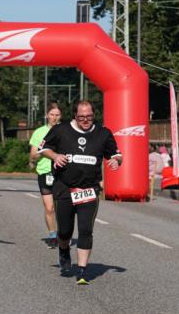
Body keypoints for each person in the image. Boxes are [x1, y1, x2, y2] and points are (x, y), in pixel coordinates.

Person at [37, 100, 122, 285]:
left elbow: (116, 153)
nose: (85, 120)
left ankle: (82, 270)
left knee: (85, 230)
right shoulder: (61, 130)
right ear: (74, 115)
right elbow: (42, 148)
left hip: (89, 189)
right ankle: (64, 250)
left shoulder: (103, 133)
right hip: (65, 188)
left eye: (89, 117)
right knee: (65, 232)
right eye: (81, 117)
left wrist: (116, 161)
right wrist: (55, 156)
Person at [29, 103, 61, 245]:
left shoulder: (65, 131)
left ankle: (63, 234)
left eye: (57, 115)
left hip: (62, 172)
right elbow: (33, 156)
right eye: (52, 115)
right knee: (49, 207)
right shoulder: (39, 132)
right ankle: (53, 236)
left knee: (62, 208)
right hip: (45, 171)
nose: (54, 117)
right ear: (47, 115)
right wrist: (42, 151)